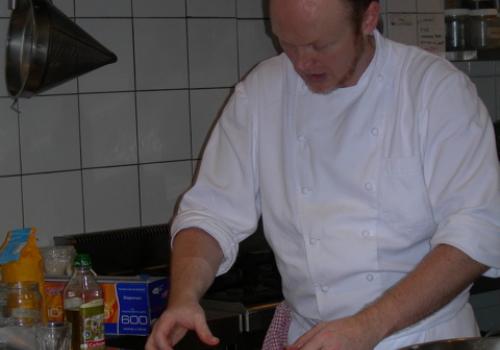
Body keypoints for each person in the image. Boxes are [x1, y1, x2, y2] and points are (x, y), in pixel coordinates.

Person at [146, 0, 500, 349]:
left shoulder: (432, 90)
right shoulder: (262, 91)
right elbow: (211, 213)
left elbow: (475, 231)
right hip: (314, 340)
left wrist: (368, 325)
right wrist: (184, 297)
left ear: (368, 18)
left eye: (320, 45)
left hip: (423, 339)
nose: (302, 62)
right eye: (287, 43)